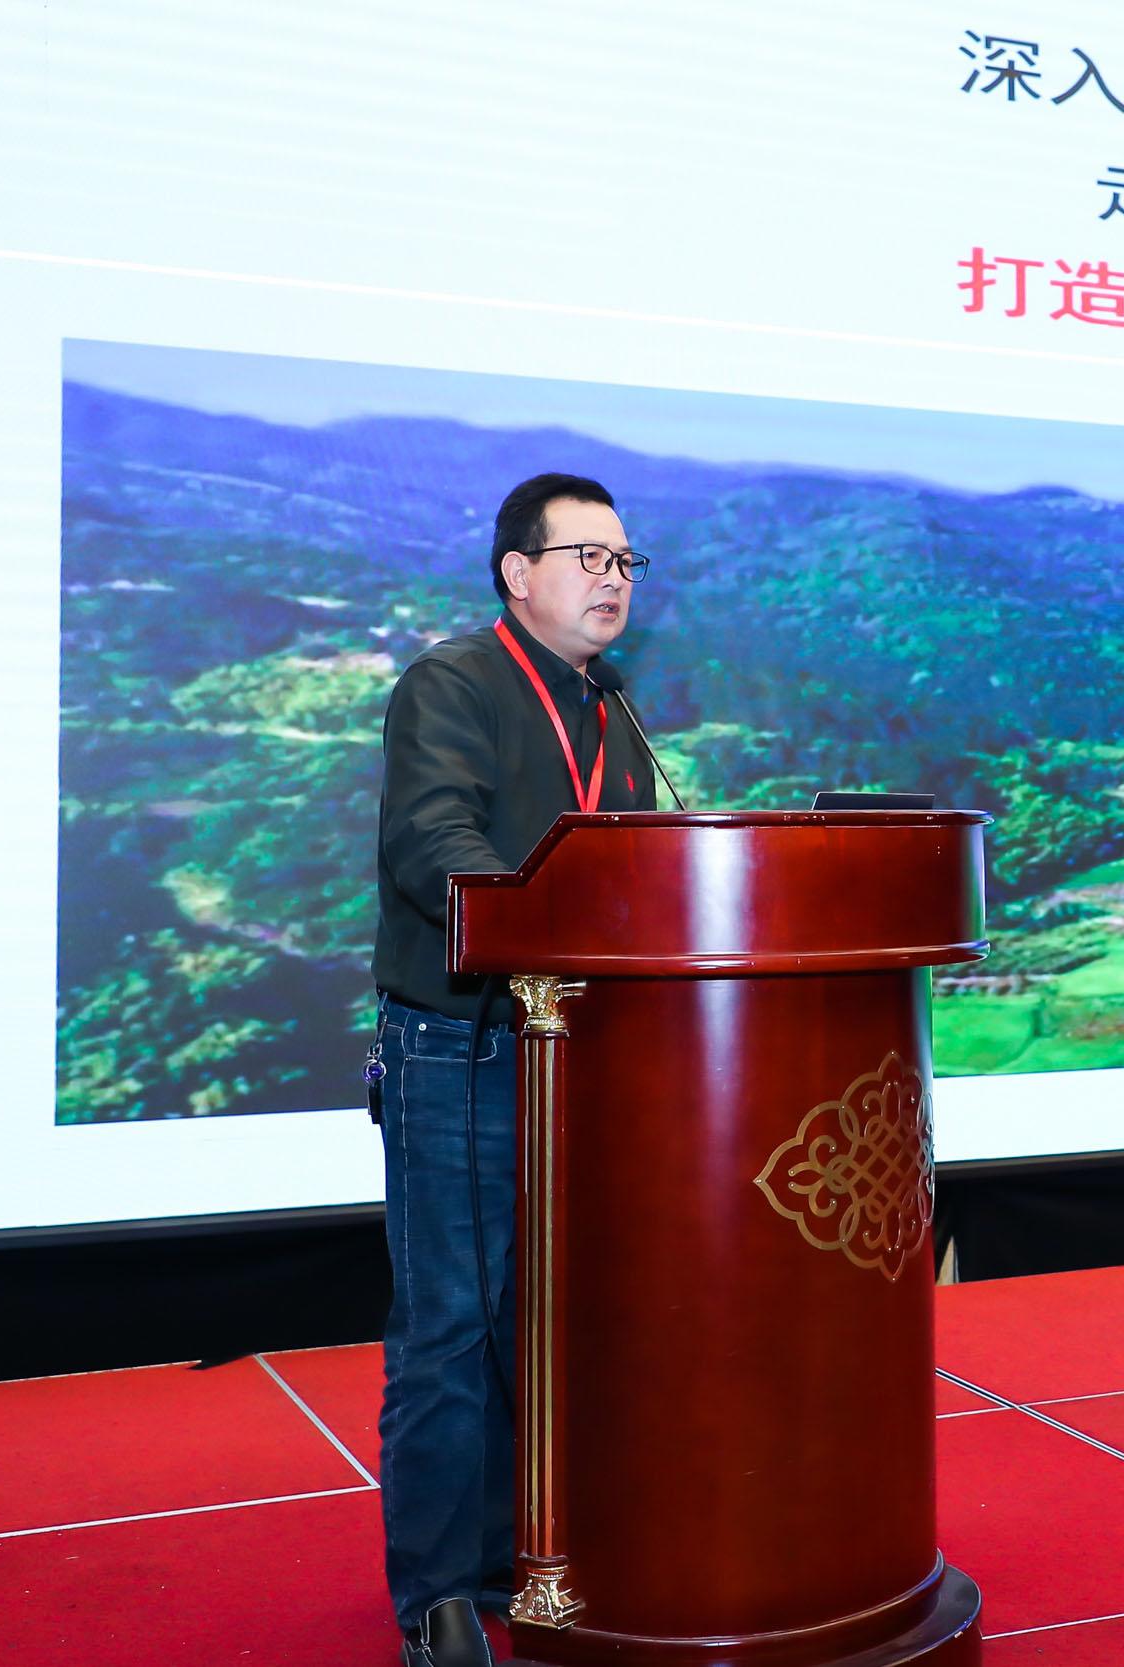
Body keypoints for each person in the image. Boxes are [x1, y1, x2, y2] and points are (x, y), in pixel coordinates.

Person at [369, 472, 659, 1667]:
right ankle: (439, 1596)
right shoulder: (454, 683)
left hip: (578, 1053)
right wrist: (552, 928)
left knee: (547, 1321)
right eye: (589, 556)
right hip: (462, 1047)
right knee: (452, 1326)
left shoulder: (612, 708)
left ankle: (523, 1545)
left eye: (625, 561)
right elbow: (433, 843)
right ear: (517, 571)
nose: (612, 579)